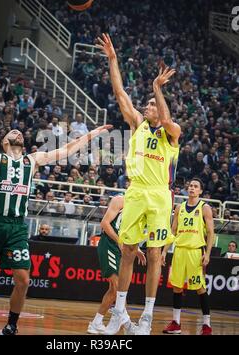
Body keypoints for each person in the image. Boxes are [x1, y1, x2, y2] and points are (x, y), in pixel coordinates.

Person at [0, 109, 111, 336]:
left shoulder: (31, 161)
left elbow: (66, 150)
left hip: (17, 226)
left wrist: (92, 134)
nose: (17, 132)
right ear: (4, 142)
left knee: (23, 280)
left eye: (20, 132)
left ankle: (12, 325)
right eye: (11, 132)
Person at [96, 34, 180, 335]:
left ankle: (146, 317)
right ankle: (119, 312)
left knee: (156, 254)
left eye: (151, 104)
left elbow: (168, 118)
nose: (146, 107)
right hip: (134, 192)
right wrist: (113, 60)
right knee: (128, 250)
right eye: (146, 103)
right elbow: (119, 93)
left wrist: (157, 89)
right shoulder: (137, 124)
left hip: (159, 196)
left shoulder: (172, 131)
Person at [162, 178, 214, 335]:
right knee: (177, 287)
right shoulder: (179, 207)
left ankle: (206, 325)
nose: (192, 188)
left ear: (200, 191)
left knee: (199, 288)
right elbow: (173, 231)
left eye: (195, 186)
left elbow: (211, 232)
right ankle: (176, 323)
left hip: (195, 251)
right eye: (190, 186)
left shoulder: (205, 208)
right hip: (179, 251)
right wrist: (164, 251)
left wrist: (208, 253)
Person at [87, 195, 146, 335]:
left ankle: (100, 323)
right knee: (117, 287)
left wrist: (135, 249)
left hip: (122, 248)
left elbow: (129, 232)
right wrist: (120, 241)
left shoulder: (141, 205)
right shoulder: (120, 200)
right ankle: (123, 324)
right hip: (109, 244)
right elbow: (105, 223)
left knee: (120, 291)